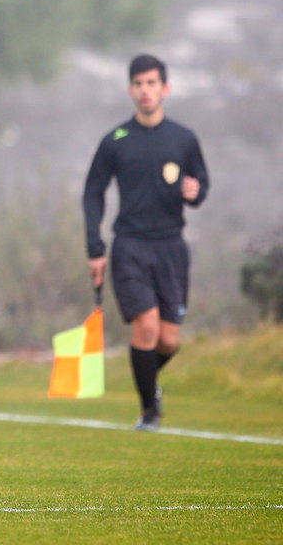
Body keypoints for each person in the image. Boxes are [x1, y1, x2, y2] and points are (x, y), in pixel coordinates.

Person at [82, 54, 210, 432]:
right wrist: (95, 247)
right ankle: (149, 412)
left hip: (172, 246)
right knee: (147, 328)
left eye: (152, 83)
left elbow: (201, 183)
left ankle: (148, 383)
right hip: (130, 246)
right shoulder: (115, 140)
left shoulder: (184, 139)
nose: (145, 90)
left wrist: (196, 191)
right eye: (138, 83)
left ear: (165, 88)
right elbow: (93, 193)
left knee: (169, 340)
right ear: (130, 90)